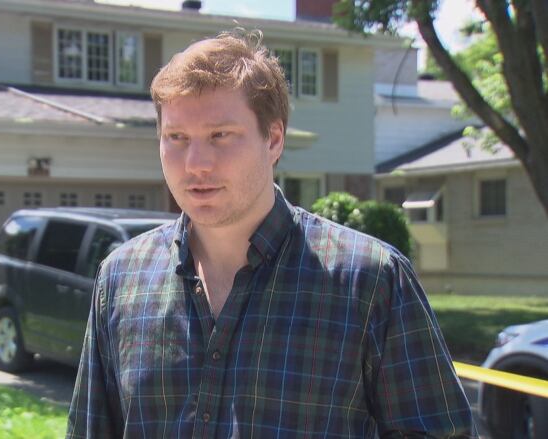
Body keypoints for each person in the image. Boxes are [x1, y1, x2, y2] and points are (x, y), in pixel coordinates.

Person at [67, 29, 476, 438]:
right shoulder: (121, 279)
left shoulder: (370, 281)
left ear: (274, 139)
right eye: (177, 138)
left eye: (220, 135)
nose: (196, 163)